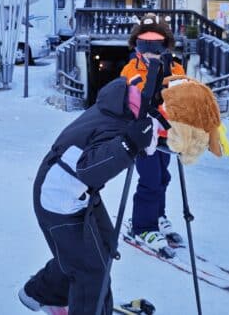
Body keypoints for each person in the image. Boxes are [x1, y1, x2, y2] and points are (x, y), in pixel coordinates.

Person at [19, 72, 161, 315]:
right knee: (91, 269)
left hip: (76, 193)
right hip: (58, 198)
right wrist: (128, 144)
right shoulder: (115, 124)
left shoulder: (115, 107)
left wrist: (137, 139)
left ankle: (41, 292)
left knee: (101, 247)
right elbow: (90, 169)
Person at [120, 14, 185, 258]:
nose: (149, 51)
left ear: (165, 45)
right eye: (143, 45)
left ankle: (157, 216)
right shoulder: (131, 69)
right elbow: (135, 98)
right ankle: (142, 226)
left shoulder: (176, 67)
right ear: (136, 45)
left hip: (167, 135)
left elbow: (181, 97)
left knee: (163, 178)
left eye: (155, 45)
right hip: (144, 136)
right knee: (149, 180)